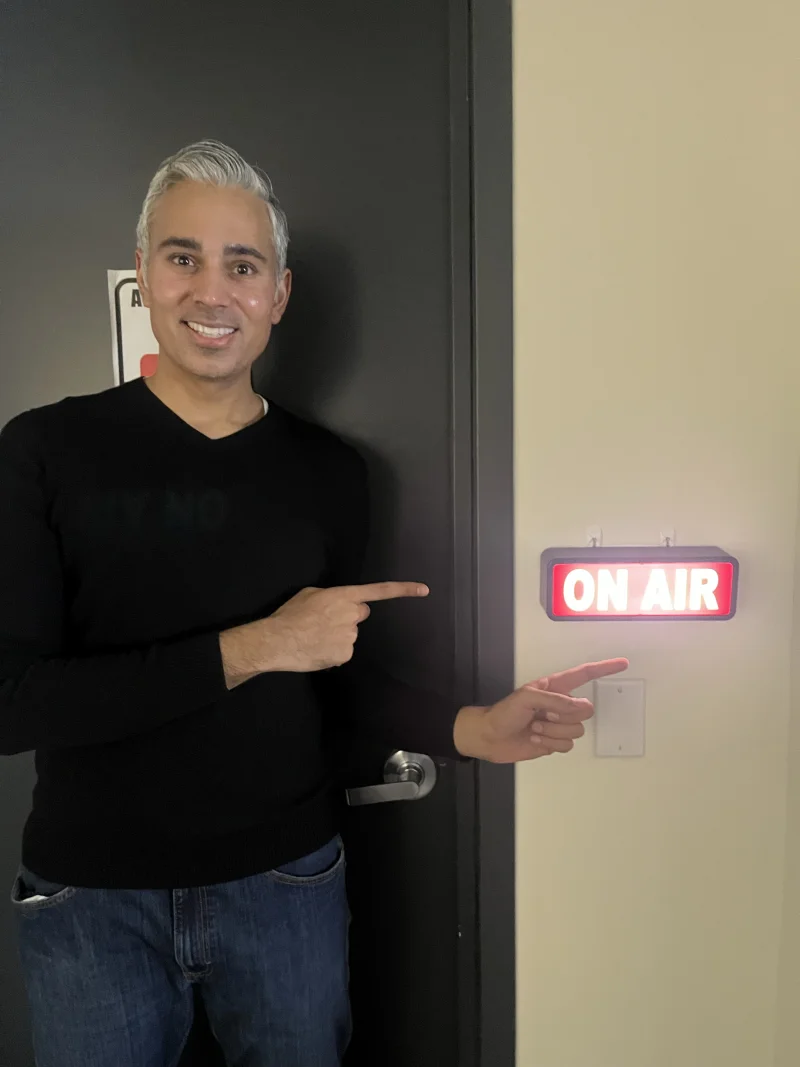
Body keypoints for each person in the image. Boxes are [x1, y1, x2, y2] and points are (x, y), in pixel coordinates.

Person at [0, 140, 628, 1067]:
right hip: (94, 899)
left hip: (285, 885)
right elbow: (15, 701)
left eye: (242, 265)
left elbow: (346, 684)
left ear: (278, 295)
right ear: (143, 275)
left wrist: (472, 727)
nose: (213, 292)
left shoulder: (330, 473)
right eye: (183, 257)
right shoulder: (44, 451)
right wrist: (252, 645)